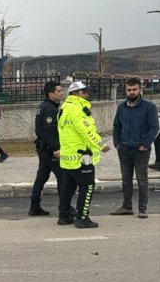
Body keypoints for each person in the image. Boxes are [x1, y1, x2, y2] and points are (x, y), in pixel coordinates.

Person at [57, 81, 111, 228]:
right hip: (82, 156)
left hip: (69, 156)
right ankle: (82, 217)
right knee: (87, 186)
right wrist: (101, 145)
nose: (87, 94)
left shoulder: (64, 107)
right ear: (75, 94)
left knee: (67, 187)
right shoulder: (77, 109)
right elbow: (86, 131)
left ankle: (64, 216)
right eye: (84, 91)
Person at [110, 77, 159, 219]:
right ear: (125, 90)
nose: (131, 92)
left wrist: (145, 144)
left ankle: (142, 209)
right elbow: (117, 126)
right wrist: (117, 143)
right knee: (126, 179)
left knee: (142, 179)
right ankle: (127, 207)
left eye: (134, 89)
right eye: (129, 90)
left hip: (140, 150)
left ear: (139, 89)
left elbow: (154, 127)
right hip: (124, 149)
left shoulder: (149, 107)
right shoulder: (122, 107)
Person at [29, 82, 66, 216]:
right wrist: (56, 148)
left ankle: (34, 206)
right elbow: (50, 131)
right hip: (50, 148)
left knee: (42, 176)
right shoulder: (49, 109)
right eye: (59, 91)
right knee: (62, 176)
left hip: (43, 147)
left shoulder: (45, 106)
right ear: (51, 94)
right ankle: (65, 207)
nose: (62, 93)